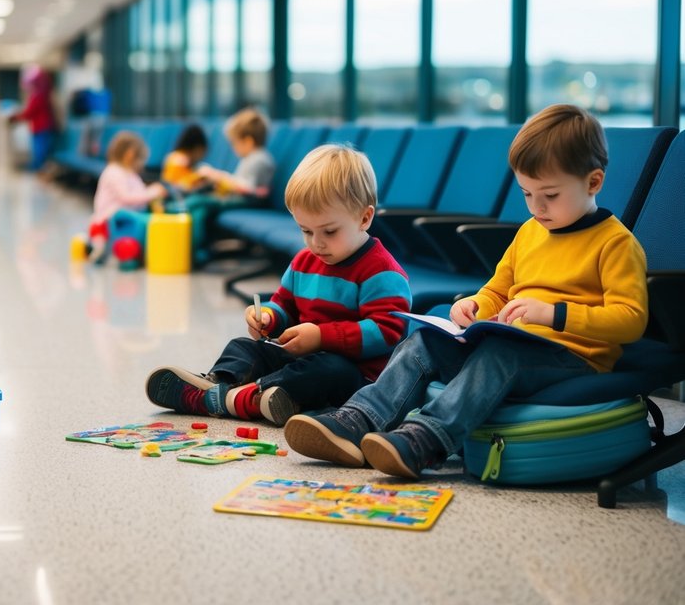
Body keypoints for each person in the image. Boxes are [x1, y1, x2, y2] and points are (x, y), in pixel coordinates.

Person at [285, 104, 648, 479]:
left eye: (550, 195)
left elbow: (631, 321)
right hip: (515, 343)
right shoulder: (530, 233)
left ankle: (425, 440)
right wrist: (476, 305)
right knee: (424, 341)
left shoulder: (616, 244)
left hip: (574, 356)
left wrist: (553, 313)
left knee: (500, 354)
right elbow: (498, 289)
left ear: (593, 182)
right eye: (526, 193)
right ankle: (358, 418)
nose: (536, 207)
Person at [146, 144, 411, 425]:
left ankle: (243, 397)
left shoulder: (382, 271)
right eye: (305, 230)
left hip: (354, 376)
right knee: (243, 346)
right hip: (300, 360)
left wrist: (321, 336)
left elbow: (387, 332)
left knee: (329, 369)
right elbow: (285, 304)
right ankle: (219, 387)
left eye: (329, 231)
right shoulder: (304, 261)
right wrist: (270, 317)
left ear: (365, 218)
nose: (316, 243)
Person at [184, 107, 275, 265]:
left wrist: (218, 176)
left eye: (235, 143)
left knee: (197, 202)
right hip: (243, 198)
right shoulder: (251, 157)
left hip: (251, 201)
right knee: (200, 209)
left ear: (248, 141)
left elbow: (246, 187)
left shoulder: (260, 159)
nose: (234, 149)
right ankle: (197, 249)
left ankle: (197, 251)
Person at [88, 131, 168, 265]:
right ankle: (101, 247)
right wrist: (152, 193)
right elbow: (126, 197)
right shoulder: (113, 172)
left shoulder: (131, 174)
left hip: (131, 215)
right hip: (110, 218)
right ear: (129, 154)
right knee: (134, 219)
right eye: (140, 160)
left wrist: (154, 193)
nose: (141, 165)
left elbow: (140, 193)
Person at [11, 64, 58, 173]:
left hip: (42, 127)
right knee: (38, 150)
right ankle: (37, 168)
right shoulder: (41, 95)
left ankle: (39, 169)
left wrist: (16, 117)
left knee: (40, 151)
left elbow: (30, 112)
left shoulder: (39, 96)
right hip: (39, 127)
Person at [160, 124, 211, 194]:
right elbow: (180, 185)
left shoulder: (173, 156)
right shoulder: (180, 159)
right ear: (197, 148)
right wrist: (200, 176)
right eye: (202, 151)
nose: (202, 155)